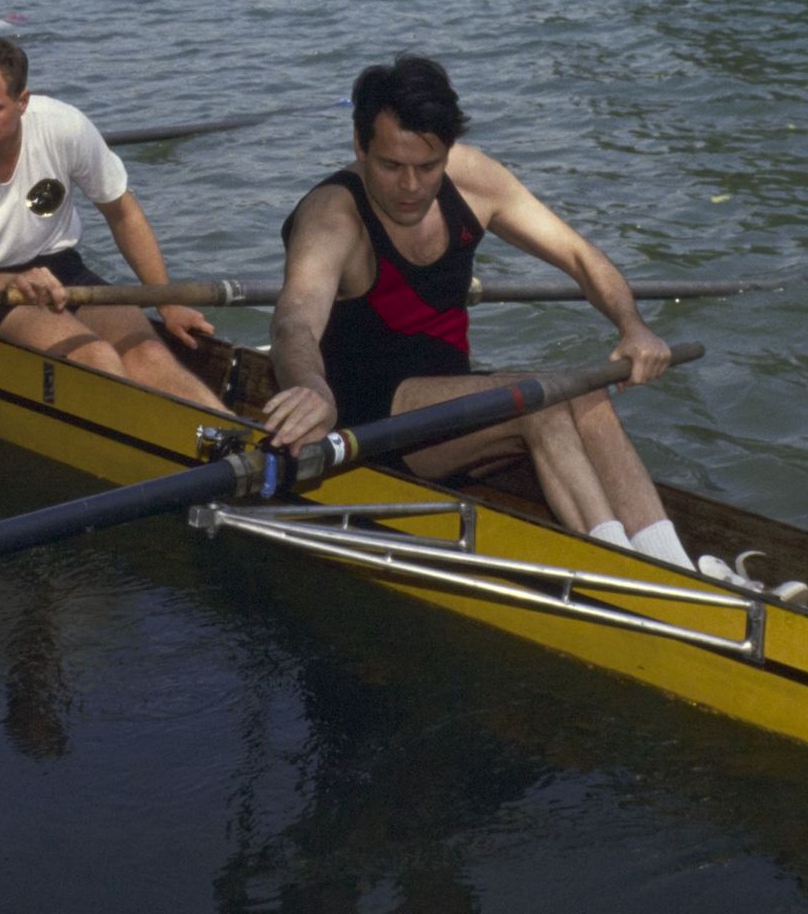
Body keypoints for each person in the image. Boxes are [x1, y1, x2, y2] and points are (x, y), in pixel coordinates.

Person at [262, 55, 692, 568]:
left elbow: (578, 255)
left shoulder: (474, 179)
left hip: (448, 398)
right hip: (363, 419)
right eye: (390, 166)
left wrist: (633, 326)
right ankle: (618, 569)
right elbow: (294, 320)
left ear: (447, 151)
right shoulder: (332, 216)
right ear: (359, 146)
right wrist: (309, 387)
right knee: (541, 403)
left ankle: (672, 564)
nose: (411, 186)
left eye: (428, 166)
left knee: (586, 392)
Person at [0, 32, 221, 408]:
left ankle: (241, 442)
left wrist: (166, 302)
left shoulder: (63, 126)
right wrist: (7, 283)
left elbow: (122, 212)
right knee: (96, 358)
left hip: (60, 270)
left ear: (23, 101)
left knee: (149, 353)